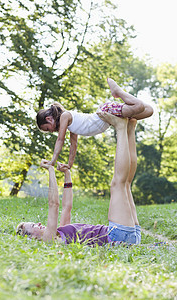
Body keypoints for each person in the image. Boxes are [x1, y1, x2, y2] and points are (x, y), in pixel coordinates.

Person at [17, 113, 141, 246]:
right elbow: (54, 205)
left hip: (126, 234)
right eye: (34, 225)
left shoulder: (60, 232)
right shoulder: (49, 238)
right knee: (118, 184)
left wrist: (67, 174)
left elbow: (66, 207)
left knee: (126, 184)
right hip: (117, 236)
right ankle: (121, 128)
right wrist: (50, 170)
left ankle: (130, 128)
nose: (39, 223)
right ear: (31, 238)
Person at [36, 78, 153, 170]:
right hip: (110, 118)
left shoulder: (65, 116)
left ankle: (118, 92)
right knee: (148, 111)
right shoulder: (71, 127)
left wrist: (53, 160)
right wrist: (69, 164)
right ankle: (121, 99)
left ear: (49, 119)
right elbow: (74, 145)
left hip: (106, 112)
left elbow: (60, 140)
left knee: (139, 107)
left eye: (47, 128)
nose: (51, 131)